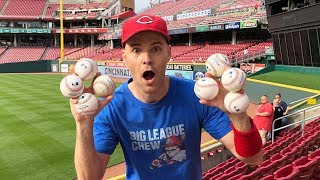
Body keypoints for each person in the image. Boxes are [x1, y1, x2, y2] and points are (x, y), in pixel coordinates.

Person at [69, 14, 263, 180]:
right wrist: (83, 124)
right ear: (124, 56)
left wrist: (238, 116)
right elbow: (89, 177)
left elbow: (253, 158)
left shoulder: (197, 96)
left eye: (155, 48)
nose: (147, 58)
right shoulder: (112, 106)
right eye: (136, 50)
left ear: (169, 53)